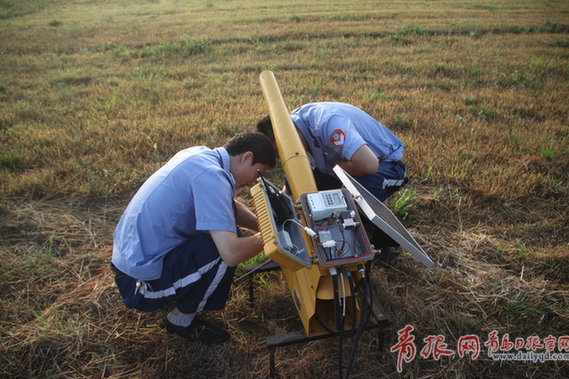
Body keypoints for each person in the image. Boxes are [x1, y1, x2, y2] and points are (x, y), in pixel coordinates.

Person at [111, 132, 276, 344]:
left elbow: (228, 207)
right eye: (257, 172)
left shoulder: (199, 156)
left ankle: (179, 287)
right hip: (139, 286)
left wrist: (266, 223)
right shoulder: (212, 176)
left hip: (128, 260)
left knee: (222, 232)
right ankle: (181, 320)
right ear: (246, 157)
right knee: (222, 251)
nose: (253, 180)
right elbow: (232, 254)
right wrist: (273, 235)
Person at [256, 102, 408, 266]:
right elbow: (299, 170)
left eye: (281, 151)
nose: (284, 157)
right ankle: (324, 239)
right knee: (310, 197)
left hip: (384, 163)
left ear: (288, 136)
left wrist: (333, 167)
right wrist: (283, 204)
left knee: (360, 189)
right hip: (339, 164)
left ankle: (379, 243)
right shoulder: (294, 127)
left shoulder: (327, 123)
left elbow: (369, 165)